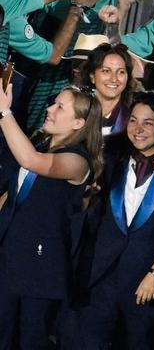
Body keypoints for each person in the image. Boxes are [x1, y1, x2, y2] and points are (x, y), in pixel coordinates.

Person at [73, 91, 154, 350]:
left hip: (145, 280)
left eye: (148, 123)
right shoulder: (109, 160)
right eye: (133, 121)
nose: (138, 129)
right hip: (99, 274)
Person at [0, 85, 102, 350]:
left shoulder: (79, 162)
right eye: (53, 103)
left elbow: (32, 162)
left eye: (60, 107)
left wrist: (4, 111)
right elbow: (11, 195)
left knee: (30, 342)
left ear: (79, 122)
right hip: (8, 260)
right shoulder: (39, 144)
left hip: (39, 272)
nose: (49, 109)